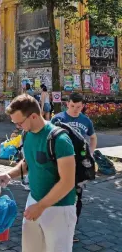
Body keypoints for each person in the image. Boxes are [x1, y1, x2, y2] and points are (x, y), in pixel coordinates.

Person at [0, 94, 77, 252]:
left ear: (33, 116)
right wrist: (9, 175)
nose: (17, 126)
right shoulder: (27, 134)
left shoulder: (60, 140)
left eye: (19, 122)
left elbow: (68, 182)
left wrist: (41, 206)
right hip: (34, 202)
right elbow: (28, 162)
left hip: (59, 208)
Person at [50, 92, 96, 242]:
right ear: (67, 104)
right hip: (59, 162)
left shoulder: (86, 120)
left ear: (83, 106)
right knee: (57, 192)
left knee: (77, 196)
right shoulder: (58, 118)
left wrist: (91, 153)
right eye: (72, 106)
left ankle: (71, 229)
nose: (76, 109)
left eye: (79, 107)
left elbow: (93, 137)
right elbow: (48, 137)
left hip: (78, 166)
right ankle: (55, 227)